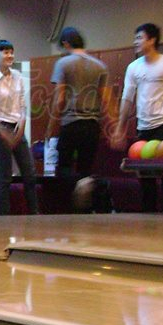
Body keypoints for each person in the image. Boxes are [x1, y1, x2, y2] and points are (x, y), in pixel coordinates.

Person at [110, 23, 163, 212]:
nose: (135, 42)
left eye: (139, 38)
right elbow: (127, 99)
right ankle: (149, 213)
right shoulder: (133, 67)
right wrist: (120, 129)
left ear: (152, 40)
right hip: (143, 127)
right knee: (145, 175)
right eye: (135, 38)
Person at [48, 26, 113, 211]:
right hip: (92, 125)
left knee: (63, 169)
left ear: (65, 43)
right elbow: (106, 99)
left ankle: (71, 206)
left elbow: (60, 99)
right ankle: (84, 209)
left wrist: (51, 126)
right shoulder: (100, 66)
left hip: (71, 123)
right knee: (85, 168)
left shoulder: (63, 64)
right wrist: (112, 126)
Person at [0, 37, 38, 215]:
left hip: (17, 127)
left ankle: (34, 213)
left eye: (11, 52)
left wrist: (21, 126)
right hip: (0, 128)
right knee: (5, 177)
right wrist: (2, 133)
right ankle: (5, 217)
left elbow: (22, 104)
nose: (10, 56)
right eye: (6, 52)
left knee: (29, 174)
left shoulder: (17, 76)